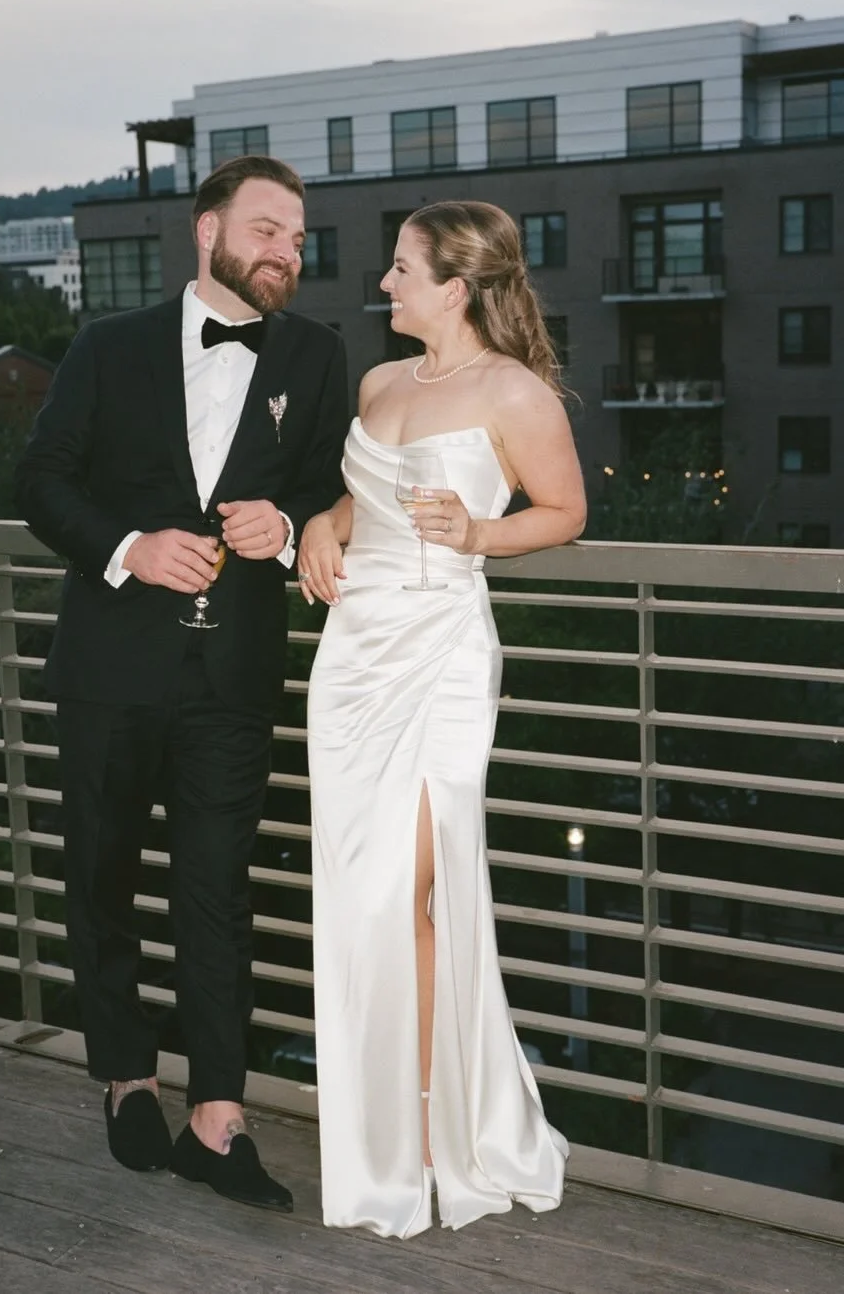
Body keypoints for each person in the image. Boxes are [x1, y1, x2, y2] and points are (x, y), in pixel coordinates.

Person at [15, 155, 348, 1213]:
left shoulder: (319, 353)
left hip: (234, 676)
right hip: (111, 667)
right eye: (268, 229)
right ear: (208, 233)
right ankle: (124, 1073)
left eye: (298, 235)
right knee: (103, 876)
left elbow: (333, 489)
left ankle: (219, 1114)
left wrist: (286, 526)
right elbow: (40, 480)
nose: (287, 250)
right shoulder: (108, 347)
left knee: (217, 892)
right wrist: (127, 545)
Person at [297, 200, 586, 1238]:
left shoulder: (515, 392)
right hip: (353, 660)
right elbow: (350, 500)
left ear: (454, 288)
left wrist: (476, 528)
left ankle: (430, 1124)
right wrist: (318, 536)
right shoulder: (379, 383)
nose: (385, 283)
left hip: (442, 655)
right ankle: (386, 1116)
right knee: (358, 890)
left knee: (410, 889)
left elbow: (565, 511)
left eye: (401, 269)